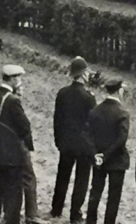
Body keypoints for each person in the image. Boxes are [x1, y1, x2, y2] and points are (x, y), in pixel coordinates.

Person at [51, 57, 96, 223]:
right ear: (83, 74)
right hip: (83, 144)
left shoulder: (62, 93)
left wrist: (58, 140)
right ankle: (75, 213)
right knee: (81, 179)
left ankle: (56, 207)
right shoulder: (89, 97)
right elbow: (92, 124)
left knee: (62, 175)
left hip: (66, 142)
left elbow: (57, 120)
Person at [0, 64, 33, 224]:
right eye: (18, 78)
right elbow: (25, 126)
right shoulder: (13, 100)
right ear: (12, 79)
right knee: (14, 192)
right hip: (12, 153)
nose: (19, 81)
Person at [85, 77, 130, 224]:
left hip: (98, 159)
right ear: (119, 90)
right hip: (116, 160)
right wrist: (106, 155)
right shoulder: (122, 113)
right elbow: (121, 139)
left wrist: (96, 154)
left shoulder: (95, 110)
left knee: (95, 191)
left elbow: (88, 135)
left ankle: (90, 221)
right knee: (113, 197)